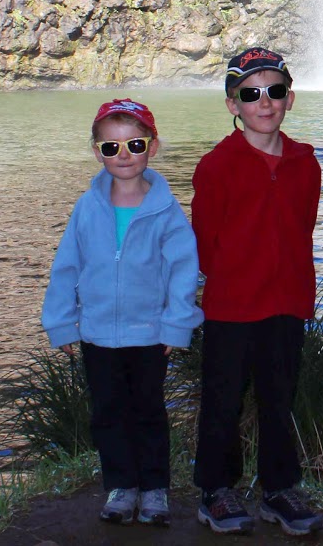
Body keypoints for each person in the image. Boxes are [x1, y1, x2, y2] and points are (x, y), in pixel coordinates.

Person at [42, 97, 203, 527]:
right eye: (111, 147)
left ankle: (154, 489)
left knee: (148, 412)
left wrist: (176, 325)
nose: (124, 155)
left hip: (150, 334)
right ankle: (121, 486)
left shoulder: (166, 209)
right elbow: (66, 267)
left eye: (135, 144)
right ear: (97, 152)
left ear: (153, 147)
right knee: (108, 413)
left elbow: (183, 270)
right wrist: (62, 323)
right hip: (97, 334)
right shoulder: (87, 207)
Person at [190, 47, 322, 536]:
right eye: (251, 94)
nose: (264, 102)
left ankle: (279, 489)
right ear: (233, 105)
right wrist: (233, 277)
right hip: (232, 305)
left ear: (290, 98)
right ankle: (215, 490)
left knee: (279, 398)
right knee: (222, 399)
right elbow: (205, 240)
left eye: (275, 91)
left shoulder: (306, 164)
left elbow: (303, 227)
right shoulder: (216, 166)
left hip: (286, 303)